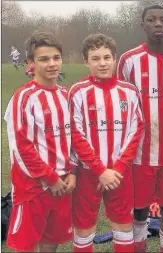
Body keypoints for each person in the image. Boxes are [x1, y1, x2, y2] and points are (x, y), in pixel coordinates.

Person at [116, 5, 163, 252]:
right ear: (143, 25)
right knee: (138, 211)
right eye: (151, 19)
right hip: (139, 154)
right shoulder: (129, 60)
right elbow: (120, 105)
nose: (158, 24)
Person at [69, 33, 145, 252]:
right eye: (95, 58)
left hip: (120, 173)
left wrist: (117, 168)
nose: (102, 63)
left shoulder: (129, 91)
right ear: (86, 61)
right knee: (83, 230)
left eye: (106, 57)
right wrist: (100, 170)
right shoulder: (78, 92)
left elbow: (136, 130)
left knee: (123, 227)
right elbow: (76, 134)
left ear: (114, 58)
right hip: (88, 173)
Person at [4, 31, 75, 253]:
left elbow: (73, 140)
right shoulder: (23, 98)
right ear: (30, 63)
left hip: (62, 184)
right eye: (44, 59)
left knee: (51, 241)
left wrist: (71, 172)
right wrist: (50, 178)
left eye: (56, 58)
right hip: (33, 187)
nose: (52, 64)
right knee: (25, 244)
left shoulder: (66, 95)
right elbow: (21, 148)